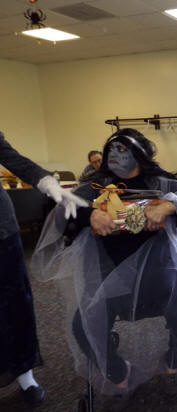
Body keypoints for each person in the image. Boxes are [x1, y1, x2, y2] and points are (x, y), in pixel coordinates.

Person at [32, 128, 177, 410]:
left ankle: (173, 364)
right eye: (111, 150)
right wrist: (89, 214)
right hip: (107, 281)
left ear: (140, 153)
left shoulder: (161, 183)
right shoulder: (95, 187)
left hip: (160, 278)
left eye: (123, 149)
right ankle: (119, 375)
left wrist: (168, 206)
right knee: (82, 327)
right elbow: (61, 213)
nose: (115, 155)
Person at [0, 132, 87, 406]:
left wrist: (49, 184)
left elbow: (13, 159)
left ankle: (25, 375)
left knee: (14, 303)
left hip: (1, 231)